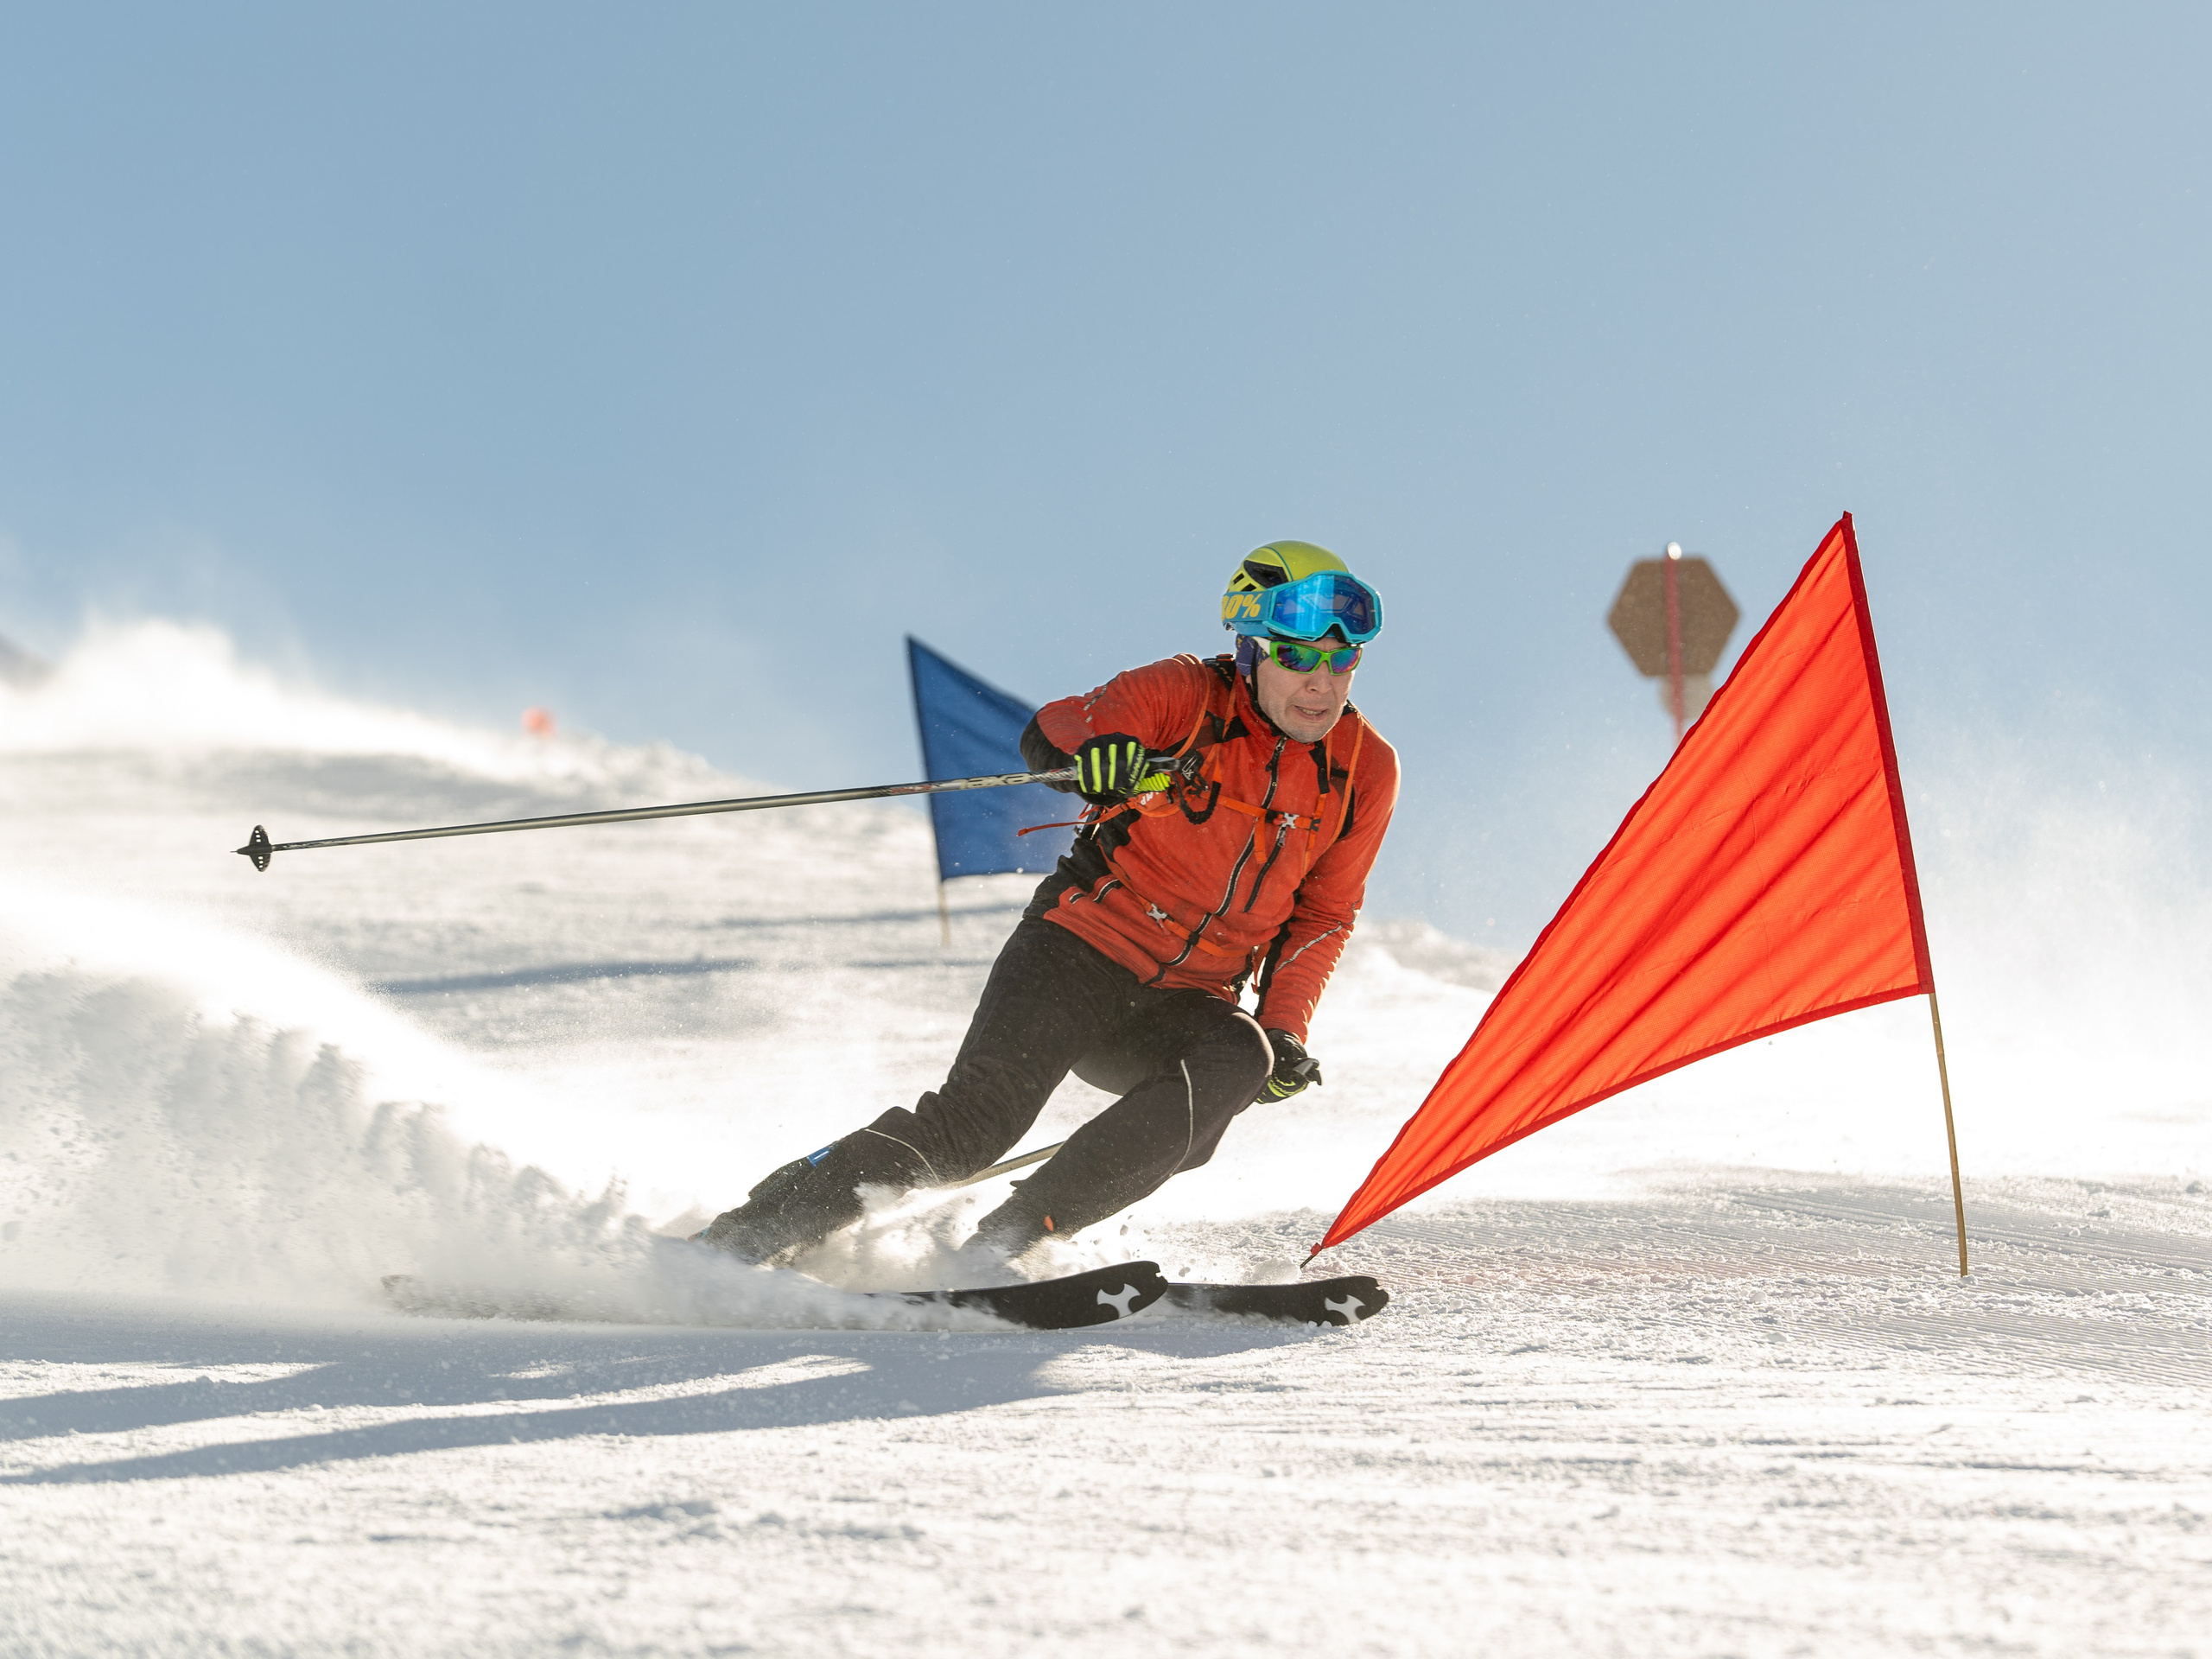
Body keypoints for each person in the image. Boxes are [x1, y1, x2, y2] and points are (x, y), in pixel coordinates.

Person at [701, 541, 1398, 1268]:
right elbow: (1061, 726)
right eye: (1297, 656)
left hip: (1185, 1000)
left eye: (1341, 660)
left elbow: (1324, 916)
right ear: (1250, 650)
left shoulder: (1365, 769)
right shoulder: (1185, 691)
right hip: (1077, 954)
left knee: (1241, 1058)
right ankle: (739, 1240)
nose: (1321, 683)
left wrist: (1284, 1029)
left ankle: (1005, 1248)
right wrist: (1099, 756)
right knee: (975, 1127)